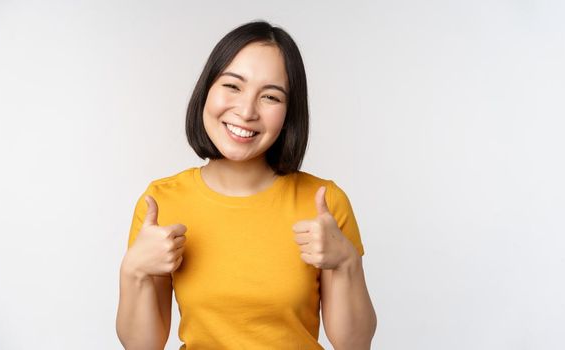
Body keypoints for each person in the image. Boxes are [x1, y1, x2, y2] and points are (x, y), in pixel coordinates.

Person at [116, 20, 376, 349]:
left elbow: (354, 344)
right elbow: (143, 345)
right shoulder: (161, 202)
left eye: (270, 97)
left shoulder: (324, 202)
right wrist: (133, 270)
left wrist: (346, 261)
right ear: (207, 90)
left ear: (288, 115)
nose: (246, 111)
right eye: (233, 86)